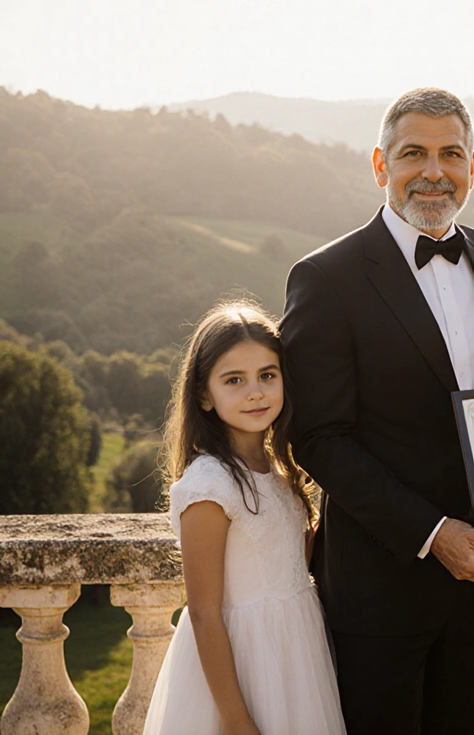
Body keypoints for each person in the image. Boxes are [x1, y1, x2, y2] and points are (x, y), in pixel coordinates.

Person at [280, 87, 474, 735]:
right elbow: (319, 437)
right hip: (377, 593)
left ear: (473, 164)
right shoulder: (326, 276)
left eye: (451, 153)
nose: (434, 171)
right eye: (414, 153)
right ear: (381, 165)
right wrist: (431, 532)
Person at [143, 301, 346, 735]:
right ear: (203, 395)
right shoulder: (209, 485)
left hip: (298, 651)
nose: (255, 392)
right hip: (244, 663)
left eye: (267, 376)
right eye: (234, 380)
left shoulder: (281, 471)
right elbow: (202, 611)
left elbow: (293, 558)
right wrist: (235, 719)